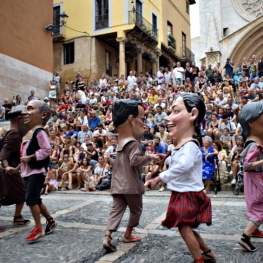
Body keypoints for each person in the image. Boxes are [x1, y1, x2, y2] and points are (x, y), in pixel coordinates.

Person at [151, 93, 215, 263]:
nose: (168, 117)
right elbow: (180, 162)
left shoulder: (190, 145)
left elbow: (184, 166)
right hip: (183, 192)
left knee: (184, 228)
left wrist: (160, 177)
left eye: (175, 111)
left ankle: (199, 259)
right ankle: (207, 253)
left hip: (189, 194)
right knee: (187, 227)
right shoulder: (184, 144)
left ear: (193, 114)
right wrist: (166, 158)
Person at [103, 100, 159, 252]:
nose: (144, 123)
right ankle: (128, 234)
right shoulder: (134, 143)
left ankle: (107, 236)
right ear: (130, 119)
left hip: (117, 184)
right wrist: (150, 157)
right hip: (130, 186)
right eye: (142, 119)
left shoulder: (120, 142)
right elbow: (135, 161)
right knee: (136, 210)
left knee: (116, 210)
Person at [20, 100, 57, 243]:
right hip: (27, 171)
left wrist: (31, 157)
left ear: (43, 114)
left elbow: (47, 150)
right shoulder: (27, 133)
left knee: (30, 200)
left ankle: (38, 228)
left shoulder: (39, 132)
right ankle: (50, 220)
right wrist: (16, 168)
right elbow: (23, 156)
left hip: (36, 171)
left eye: (29, 108)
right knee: (36, 199)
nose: (24, 112)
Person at [238, 102, 263, 252]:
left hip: (255, 180)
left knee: (255, 208)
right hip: (255, 181)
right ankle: (245, 237)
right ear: (251, 122)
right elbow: (247, 165)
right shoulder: (254, 145)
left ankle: (253, 231)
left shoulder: (255, 142)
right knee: (260, 210)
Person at [0, 106, 30, 228]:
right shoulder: (14, 134)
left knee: (3, 195)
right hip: (8, 171)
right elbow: (4, 154)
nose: (28, 122)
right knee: (19, 194)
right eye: (25, 119)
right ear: (19, 120)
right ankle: (17, 217)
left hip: (9, 169)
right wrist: (7, 167)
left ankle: (18, 217)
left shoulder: (12, 132)